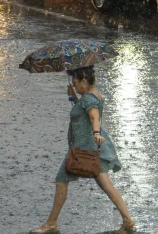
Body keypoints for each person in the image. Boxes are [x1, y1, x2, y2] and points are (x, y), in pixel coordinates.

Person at [29, 65, 135, 234]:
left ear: (84, 81)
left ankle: (51, 223)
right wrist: (73, 98)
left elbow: (93, 117)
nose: (75, 85)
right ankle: (127, 220)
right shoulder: (91, 95)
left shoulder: (88, 99)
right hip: (93, 149)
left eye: (75, 82)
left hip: (83, 150)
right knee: (106, 185)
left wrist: (96, 133)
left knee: (61, 181)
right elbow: (86, 112)